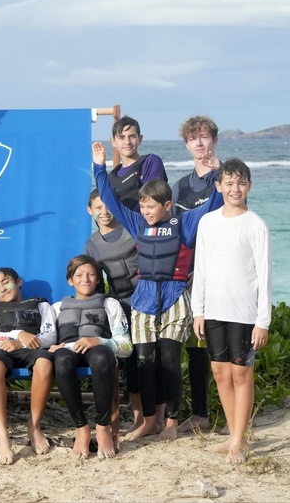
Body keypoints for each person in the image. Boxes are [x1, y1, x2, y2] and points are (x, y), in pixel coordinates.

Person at [92, 141, 222, 441]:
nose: (145, 210)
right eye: (142, 205)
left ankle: (172, 421)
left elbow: (215, 204)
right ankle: (150, 420)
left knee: (169, 361)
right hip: (144, 297)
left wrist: (216, 174)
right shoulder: (137, 222)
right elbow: (110, 200)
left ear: (166, 205)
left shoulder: (185, 222)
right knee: (144, 362)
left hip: (175, 296)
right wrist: (99, 167)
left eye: (151, 206)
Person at [191, 158, 272, 464]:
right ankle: (233, 435)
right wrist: (197, 310)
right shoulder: (208, 222)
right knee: (220, 372)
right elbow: (201, 268)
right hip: (213, 309)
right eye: (229, 183)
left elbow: (264, 277)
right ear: (218, 186)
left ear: (249, 186)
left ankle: (238, 440)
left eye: (240, 183)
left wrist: (262, 321)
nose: (235, 188)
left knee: (241, 374)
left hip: (244, 313)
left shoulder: (256, 225)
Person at [50, 255, 132, 459]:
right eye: (79, 275)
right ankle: (82, 429)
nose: (85, 279)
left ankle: (103, 427)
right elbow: (46, 339)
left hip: (99, 350)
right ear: (70, 280)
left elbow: (126, 346)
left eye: (91, 274)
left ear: (98, 280)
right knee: (61, 359)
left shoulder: (110, 304)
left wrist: (99, 341)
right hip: (68, 350)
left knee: (101, 358)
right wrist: (49, 347)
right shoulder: (56, 308)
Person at [172, 116, 221, 434]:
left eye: (204, 137)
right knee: (195, 346)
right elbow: (178, 235)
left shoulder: (226, 176)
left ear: (214, 140)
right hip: (190, 276)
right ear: (187, 145)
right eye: (194, 139)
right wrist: (185, 272)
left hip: (221, 271)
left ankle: (221, 411)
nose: (199, 143)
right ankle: (199, 412)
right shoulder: (181, 186)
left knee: (223, 347)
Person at [84, 189, 143, 433]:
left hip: (146, 301)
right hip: (119, 304)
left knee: (147, 360)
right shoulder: (92, 244)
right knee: (129, 363)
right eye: (98, 208)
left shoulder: (133, 229)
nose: (104, 212)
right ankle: (136, 416)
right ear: (90, 211)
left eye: (108, 206)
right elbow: (94, 282)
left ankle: (148, 417)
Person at [0, 267, 56, 464]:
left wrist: (23, 342)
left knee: (44, 363)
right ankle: (2, 433)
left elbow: (50, 335)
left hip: (34, 348)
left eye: (6, 281)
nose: (3, 289)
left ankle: (34, 426)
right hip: (4, 350)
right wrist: (16, 335)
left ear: (19, 281)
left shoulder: (41, 306)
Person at [105, 116, 168, 210]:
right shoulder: (111, 178)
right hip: (121, 224)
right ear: (113, 141)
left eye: (132, 136)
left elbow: (152, 201)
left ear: (140, 138)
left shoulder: (150, 162)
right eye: (121, 137)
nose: (127, 142)